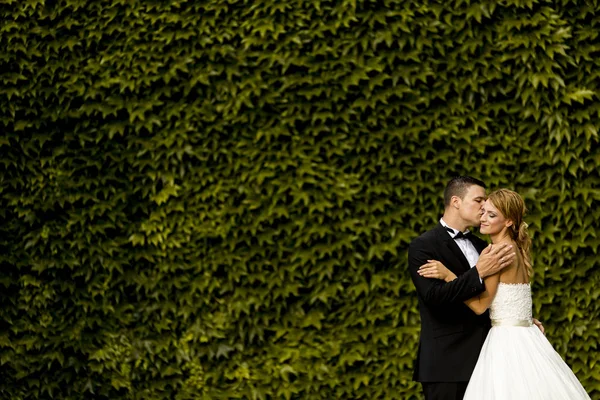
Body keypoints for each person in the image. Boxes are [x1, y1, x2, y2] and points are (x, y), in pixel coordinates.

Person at [419, 189, 590, 399]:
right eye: (484, 212)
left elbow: (481, 305)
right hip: (526, 335)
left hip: (506, 342)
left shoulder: (497, 252)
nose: (483, 218)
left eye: (492, 215)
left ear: (508, 221)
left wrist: (447, 275)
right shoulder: (516, 247)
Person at [408, 176, 521, 400]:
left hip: (488, 359)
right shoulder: (423, 245)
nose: (484, 206)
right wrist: (477, 272)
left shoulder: (484, 245)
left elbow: (495, 294)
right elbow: (434, 297)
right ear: (456, 201)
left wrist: (520, 318)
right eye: (478, 200)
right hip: (446, 363)